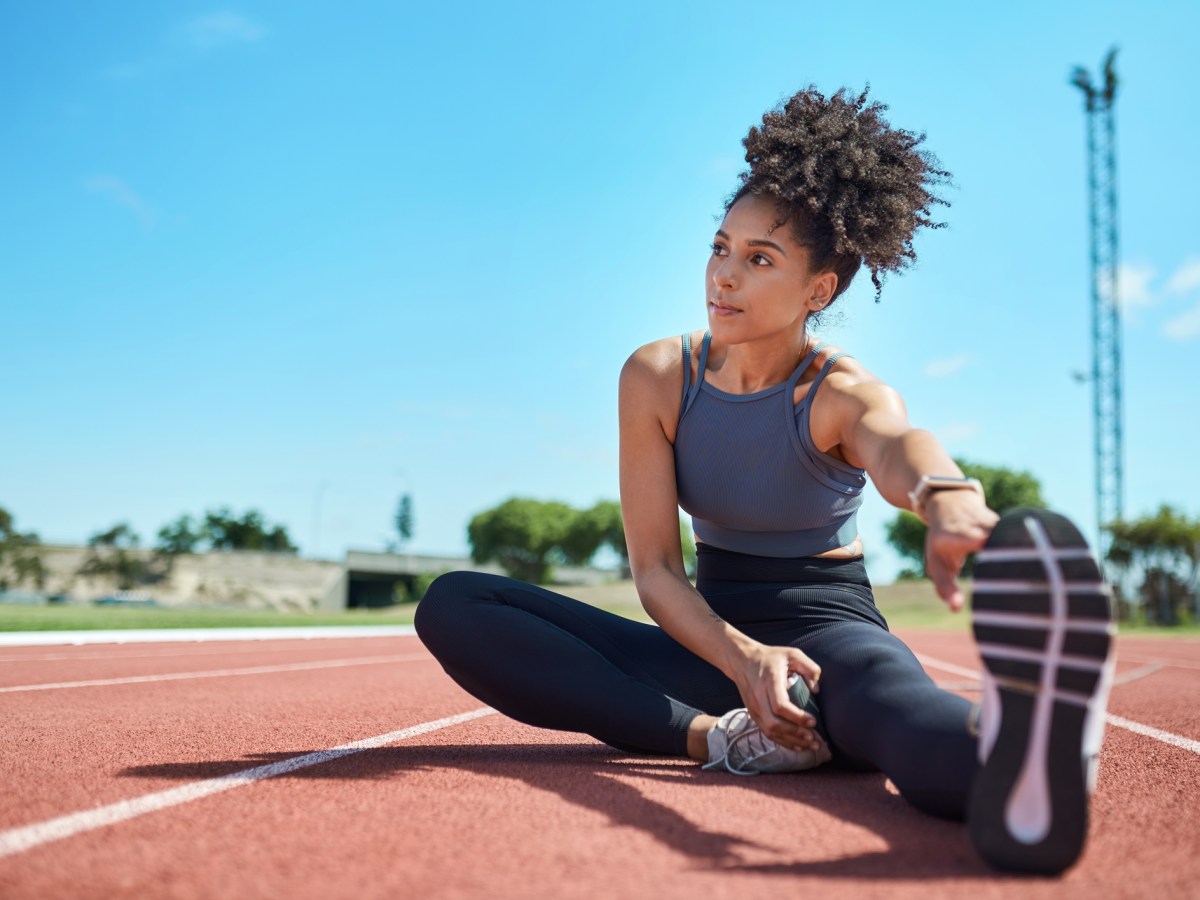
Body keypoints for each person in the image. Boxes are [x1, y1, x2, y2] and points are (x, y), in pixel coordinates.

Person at [414, 86, 1114, 875]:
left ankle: (1017, 764)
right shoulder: (656, 376)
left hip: (829, 638)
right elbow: (654, 571)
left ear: (820, 290)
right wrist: (743, 665)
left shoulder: (839, 392)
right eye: (720, 248)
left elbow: (897, 445)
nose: (724, 278)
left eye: (759, 259)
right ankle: (721, 739)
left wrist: (948, 500)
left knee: (892, 715)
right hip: (708, 642)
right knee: (459, 604)